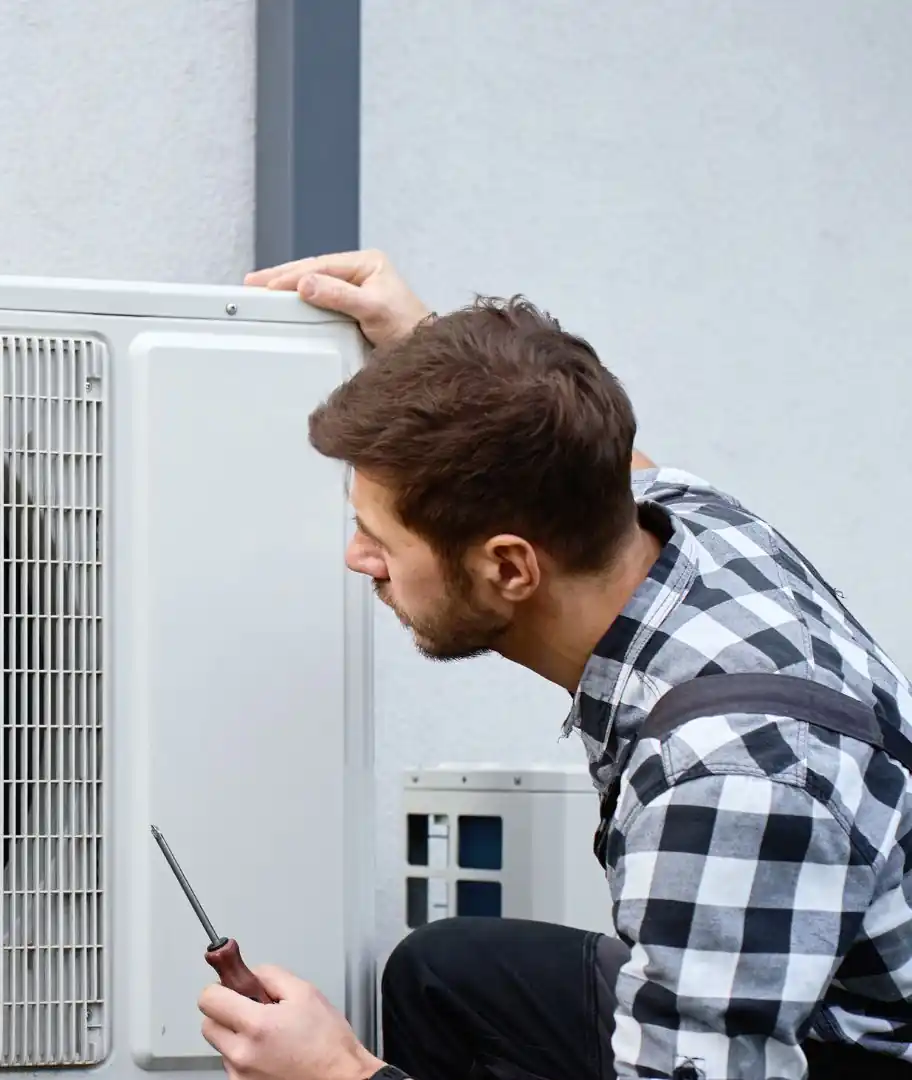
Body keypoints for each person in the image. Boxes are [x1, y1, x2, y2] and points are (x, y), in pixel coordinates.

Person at [194, 251, 912, 1080]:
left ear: (509, 567)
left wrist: (342, 1075)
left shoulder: (726, 779)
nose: (359, 559)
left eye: (382, 539)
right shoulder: (677, 523)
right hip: (813, 959)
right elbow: (570, 442)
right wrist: (425, 346)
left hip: (851, 1042)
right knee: (446, 977)